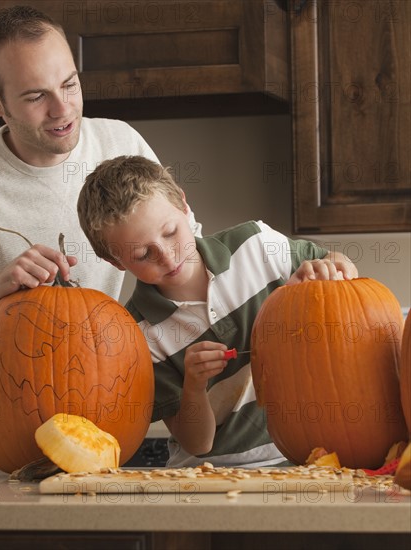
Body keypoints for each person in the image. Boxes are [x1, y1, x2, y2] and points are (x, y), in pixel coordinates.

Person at [0, 6, 201, 465]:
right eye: (35, 96)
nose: (62, 108)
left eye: (69, 84)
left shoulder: (119, 144)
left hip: (100, 439)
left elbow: (187, 261)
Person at [77, 155, 359, 468]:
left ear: (184, 206)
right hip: (212, 476)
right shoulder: (138, 334)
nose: (168, 257)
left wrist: (324, 275)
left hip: (303, 460)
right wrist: (194, 387)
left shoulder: (257, 245)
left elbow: (341, 265)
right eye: (143, 254)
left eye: (170, 233)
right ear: (116, 262)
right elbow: (198, 443)